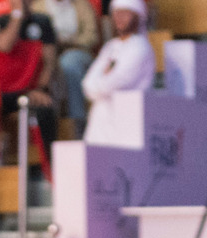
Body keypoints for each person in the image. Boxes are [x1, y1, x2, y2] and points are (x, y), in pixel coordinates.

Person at [0, 0, 60, 156]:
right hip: (2, 93)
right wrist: (17, 16)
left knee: (44, 109)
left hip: (30, 90)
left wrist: (41, 89)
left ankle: (49, 165)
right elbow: (4, 46)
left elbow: (49, 63)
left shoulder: (43, 22)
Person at [81, 0, 155, 146]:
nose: (119, 17)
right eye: (116, 12)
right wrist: (101, 82)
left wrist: (101, 80)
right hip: (101, 125)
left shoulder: (140, 47)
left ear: (137, 16)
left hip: (129, 125)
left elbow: (115, 83)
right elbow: (87, 84)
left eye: (125, 13)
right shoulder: (110, 46)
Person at [32, 0, 100, 137]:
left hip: (77, 51)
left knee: (68, 64)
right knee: (48, 67)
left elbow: (92, 36)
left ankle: (77, 120)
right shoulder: (37, 7)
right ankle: (49, 128)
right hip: (47, 54)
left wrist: (70, 43)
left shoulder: (82, 5)